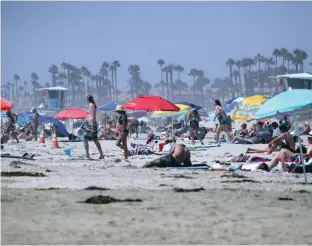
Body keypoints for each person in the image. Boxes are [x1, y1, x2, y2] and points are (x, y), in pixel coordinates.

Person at [82, 95, 104, 160]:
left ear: (87, 100)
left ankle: (87, 155)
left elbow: (93, 116)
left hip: (92, 124)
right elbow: (89, 116)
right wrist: (83, 124)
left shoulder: (91, 105)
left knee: (85, 137)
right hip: (92, 123)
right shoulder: (92, 105)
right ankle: (101, 155)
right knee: (95, 139)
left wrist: (91, 127)